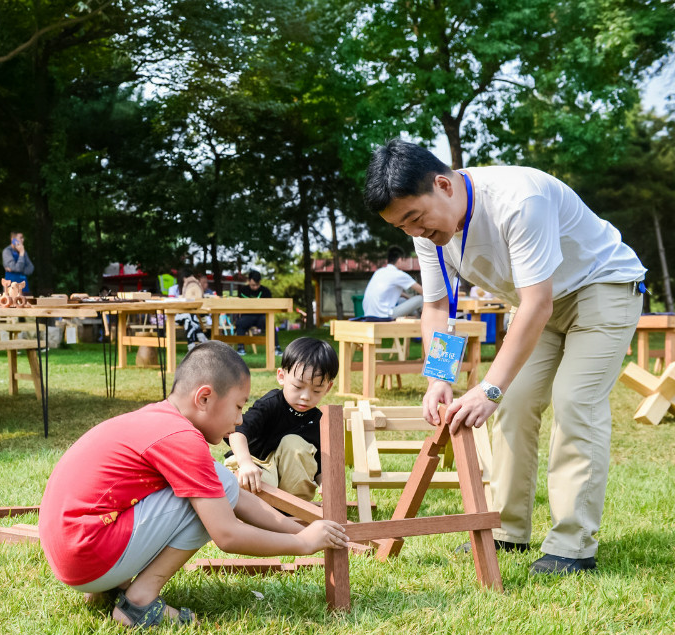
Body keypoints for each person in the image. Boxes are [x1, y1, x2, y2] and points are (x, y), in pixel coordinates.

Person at [364, 139, 646, 575]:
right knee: (513, 405)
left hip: (600, 287)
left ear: (443, 185)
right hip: (539, 304)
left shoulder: (519, 200)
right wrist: (440, 377)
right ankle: (506, 531)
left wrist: (488, 387)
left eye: (415, 219)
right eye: (402, 228)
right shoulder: (428, 231)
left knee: (574, 401)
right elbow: (439, 306)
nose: (414, 232)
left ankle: (572, 546)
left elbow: (537, 303)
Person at [39, 341, 349, 628]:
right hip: (86, 556)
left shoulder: (160, 419)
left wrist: (306, 529)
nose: (241, 420)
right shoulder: (182, 440)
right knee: (215, 493)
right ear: (204, 398)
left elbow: (239, 497)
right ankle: (139, 603)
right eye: (239, 407)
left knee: (219, 481)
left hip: (73, 556)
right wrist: (302, 544)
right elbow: (226, 534)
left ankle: (112, 587)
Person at [225, 337, 338, 501]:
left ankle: (296, 508)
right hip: (253, 466)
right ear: (281, 376)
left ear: (328, 387)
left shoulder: (318, 420)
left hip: (288, 487)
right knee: (260, 480)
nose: (305, 397)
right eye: (298, 387)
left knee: (295, 444)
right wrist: (246, 463)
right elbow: (237, 432)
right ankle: (258, 508)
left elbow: (320, 464)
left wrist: (325, 484)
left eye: (317, 391)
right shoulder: (271, 404)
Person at [361, 245, 424, 319]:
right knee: (421, 299)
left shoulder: (379, 272)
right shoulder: (398, 274)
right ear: (400, 260)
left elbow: (399, 294)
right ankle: (424, 325)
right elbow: (423, 291)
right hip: (384, 315)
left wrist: (409, 298)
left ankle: (415, 318)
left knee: (402, 300)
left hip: (369, 314)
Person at [234, 269, 281, 356]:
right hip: (247, 316)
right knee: (240, 323)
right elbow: (238, 304)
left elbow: (270, 305)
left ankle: (276, 347)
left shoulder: (265, 291)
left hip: (261, 316)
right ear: (249, 281)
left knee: (270, 323)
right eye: (253, 285)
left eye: (257, 285)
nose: (255, 287)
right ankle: (241, 348)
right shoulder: (243, 290)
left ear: (260, 282)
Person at [168, 267, 208, 351]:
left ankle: (191, 345)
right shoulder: (173, 289)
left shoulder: (194, 288)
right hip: (175, 316)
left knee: (188, 319)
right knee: (188, 315)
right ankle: (199, 333)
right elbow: (171, 305)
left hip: (190, 317)